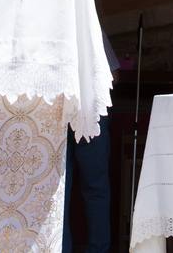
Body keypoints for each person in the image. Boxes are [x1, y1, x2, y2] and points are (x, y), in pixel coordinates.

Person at [64, 32, 118, 253]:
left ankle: (97, 248)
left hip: (90, 111)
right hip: (58, 115)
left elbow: (113, 74)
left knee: (94, 186)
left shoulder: (91, 26)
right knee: (58, 188)